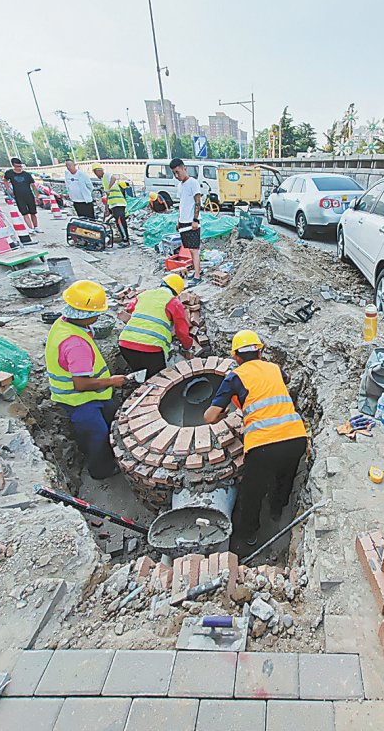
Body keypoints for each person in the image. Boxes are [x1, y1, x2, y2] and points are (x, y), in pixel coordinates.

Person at [204, 330, 307, 546]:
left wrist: (225, 412)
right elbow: (286, 379)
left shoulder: (234, 377)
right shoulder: (274, 368)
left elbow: (209, 416)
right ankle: (277, 510)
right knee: (285, 477)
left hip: (263, 447)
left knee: (252, 493)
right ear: (260, 352)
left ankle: (248, 535)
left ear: (236, 357)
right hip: (296, 438)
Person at [45, 280, 127, 479]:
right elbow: (80, 384)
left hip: (94, 395)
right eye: (96, 313)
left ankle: (109, 451)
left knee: (113, 416)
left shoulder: (63, 323)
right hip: (79, 400)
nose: (98, 316)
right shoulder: (76, 345)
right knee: (97, 434)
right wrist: (112, 381)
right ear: (87, 315)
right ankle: (100, 470)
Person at [118, 273, 193, 377]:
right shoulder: (174, 302)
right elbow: (181, 331)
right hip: (152, 349)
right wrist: (187, 346)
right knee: (157, 378)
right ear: (177, 292)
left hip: (125, 344)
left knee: (141, 375)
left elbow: (130, 308)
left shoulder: (144, 295)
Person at [170, 158, 202, 286]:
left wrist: (195, 220)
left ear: (184, 168)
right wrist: (179, 221)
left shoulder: (193, 183)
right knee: (189, 249)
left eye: (178, 172)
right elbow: (182, 205)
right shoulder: (180, 186)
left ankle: (197, 276)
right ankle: (196, 271)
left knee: (194, 250)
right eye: (174, 173)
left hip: (192, 222)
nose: (176, 175)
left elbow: (197, 202)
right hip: (183, 222)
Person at [91, 163, 129, 245]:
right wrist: (107, 208)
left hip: (118, 203)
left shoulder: (106, 175)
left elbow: (114, 178)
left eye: (95, 173)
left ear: (98, 171)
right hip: (114, 205)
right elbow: (107, 196)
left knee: (120, 222)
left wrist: (108, 188)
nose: (96, 175)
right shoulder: (103, 180)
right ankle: (123, 237)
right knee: (118, 222)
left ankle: (125, 240)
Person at [3, 158, 41, 232]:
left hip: (29, 194)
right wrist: (8, 189)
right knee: (24, 213)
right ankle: (30, 228)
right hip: (18, 195)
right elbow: (5, 181)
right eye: (17, 166)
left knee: (33, 212)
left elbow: (33, 185)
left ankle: (36, 227)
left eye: (20, 166)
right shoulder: (9, 173)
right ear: (13, 165)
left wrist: (37, 196)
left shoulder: (27, 175)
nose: (19, 168)